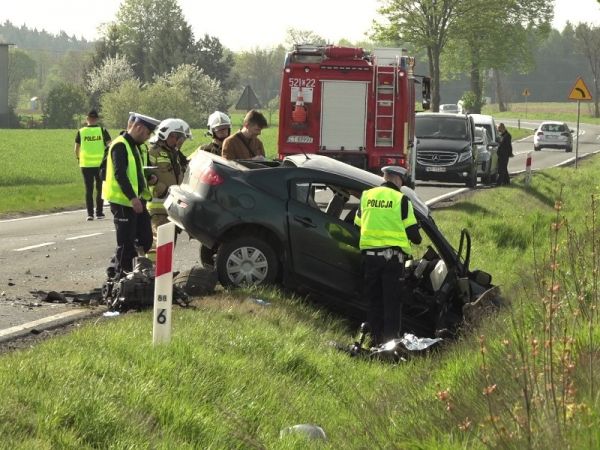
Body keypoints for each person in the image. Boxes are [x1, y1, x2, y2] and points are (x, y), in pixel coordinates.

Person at [354, 166, 422, 345]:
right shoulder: (401, 200)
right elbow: (415, 237)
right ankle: (390, 345)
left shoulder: (366, 196)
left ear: (384, 177)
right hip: (392, 261)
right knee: (391, 304)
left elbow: (357, 225)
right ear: (398, 179)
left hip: (370, 259)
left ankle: (374, 342)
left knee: (374, 302)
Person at [102, 113, 160, 280]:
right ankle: (120, 278)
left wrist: (149, 178)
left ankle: (116, 268)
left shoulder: (136, 146)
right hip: (123, 202)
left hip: (137, 201)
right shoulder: (120, 145)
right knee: (126, 243)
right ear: (139, 127)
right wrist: (132, 198)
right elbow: (120, 174)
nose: (148, 137)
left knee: (145, 239)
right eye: (147, 133)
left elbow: (136, 172)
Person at [146, 118, 192, 260]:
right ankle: (151, 275)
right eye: (180, 138)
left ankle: (164, 277)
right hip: (158, 209)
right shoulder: (152, 153)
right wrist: (163, 189)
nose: (181, 142)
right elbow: (146, 176)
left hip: (172, 208)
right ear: (170, 135)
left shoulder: (174, 154)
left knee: (168, 246)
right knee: (158, 245)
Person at [74, 109, 111, 221]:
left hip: (85, 164)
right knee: (100, 189)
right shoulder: (102, 130)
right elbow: (110, 145)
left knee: (88, 189)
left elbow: (76, 148)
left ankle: (90, 214)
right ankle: (99, 212)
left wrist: (78, 158)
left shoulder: (81, 131)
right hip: (100, 164)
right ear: (97, 119)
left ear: (87, 119)